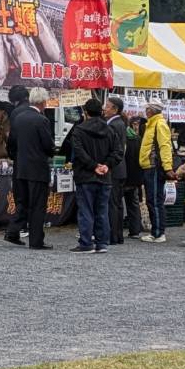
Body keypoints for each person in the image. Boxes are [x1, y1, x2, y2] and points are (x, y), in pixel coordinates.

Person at [5, 86, 55, 249]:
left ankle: (13, 231)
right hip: (38, 169)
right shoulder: (42, 120)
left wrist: (16, 157)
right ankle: (36, 240)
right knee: (38, 205)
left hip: (21, 168)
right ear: (43, 102)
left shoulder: (18, 118)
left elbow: (10, 142)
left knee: (22, 202)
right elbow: (48, 146)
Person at [67, 97, 116, 254]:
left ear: (85, 112)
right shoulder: (110, 130)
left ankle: (86, 243)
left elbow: (79, 152)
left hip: (85, 175)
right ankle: (102, 243)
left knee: (86, 210)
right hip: (105, 176)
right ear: (101, 111)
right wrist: (106, 165)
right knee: (102, 210)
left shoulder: (79, 130)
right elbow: (118, 152)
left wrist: (93, 166)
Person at [139, 102, 176, 243]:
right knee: (153, 199)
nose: (145, 112)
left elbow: (165, 146)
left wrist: (167, 167)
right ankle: (157, 231)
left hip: (154, 166)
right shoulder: (153, 124)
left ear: (151, 111)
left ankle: (158, 233)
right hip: (150, 166)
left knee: (154, 200)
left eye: (147, 109)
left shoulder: (159, 124)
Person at [101, 96, 130, 244]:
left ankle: (112, 235)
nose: (104, 108)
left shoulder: (114, 125)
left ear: (115, 109)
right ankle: (117, 235)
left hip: (114, 168)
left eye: (107, 106)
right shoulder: (119, 123)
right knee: (117, 203)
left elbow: (112, 149)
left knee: (113, 203)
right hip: (120, 169)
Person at [117, 114, 145, 241]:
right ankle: (135, 230)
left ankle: (117, 229)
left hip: (121, 175)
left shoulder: (121, 139)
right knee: (133, 202)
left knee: (117, 202)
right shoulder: (137, 138)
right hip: (134, 175)